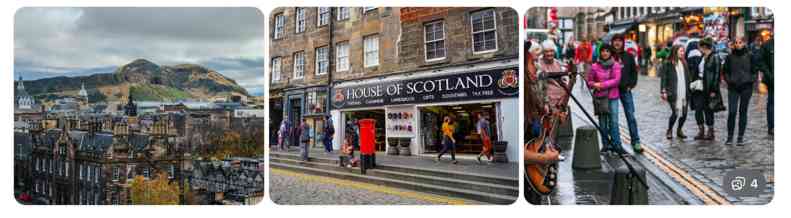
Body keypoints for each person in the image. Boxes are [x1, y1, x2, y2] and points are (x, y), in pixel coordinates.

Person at [587, 44, 624, 154]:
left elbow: (616, 80)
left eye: (607, 51)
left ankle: (617, 145)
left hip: (612, 97)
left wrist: (601, 85)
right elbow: (589, 82)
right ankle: (605, 145)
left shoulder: (616, 65)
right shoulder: (594, 66)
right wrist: (594, 85)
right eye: (603, 51)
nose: (605, 53)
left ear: (610, 53)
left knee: (614, 121)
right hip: (600, 98)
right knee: (602, 123)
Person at [611, 34, 643, 153]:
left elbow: (634, 72)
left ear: (622, 43)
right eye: (615, 41)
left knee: (631, 116)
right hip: (612, 90)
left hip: (625, 90)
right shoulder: (609, 56)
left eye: (619, 41)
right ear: (612, 42)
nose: (617, 43)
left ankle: (636, 141)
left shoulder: (628, 56)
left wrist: (631, 85)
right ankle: (616, 143)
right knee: (613, 118)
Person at [723, 38, 757, 146]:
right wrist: (729, 81)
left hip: (746, 88)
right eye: (736, 43)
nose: (738, 44)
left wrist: (750, 80)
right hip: (733, 88)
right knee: (732, 112)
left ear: (744, 43)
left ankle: (740, 137)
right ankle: (729, 137)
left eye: (740, 42)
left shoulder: (750, 56)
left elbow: (755, 70)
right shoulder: (729, 57)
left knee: (743, 112)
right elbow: (725, 71)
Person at [692, 38, 723, 140]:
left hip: (708, 87)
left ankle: (710, 131)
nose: (699, 49)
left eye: (700, 47)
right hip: (699, 86)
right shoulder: (701, 57)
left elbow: (717, 74)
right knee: (698, 109)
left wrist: (714, 90)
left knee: (708, 109)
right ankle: (701, 130)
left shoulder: (715, 57)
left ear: (704, 47)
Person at [660, 45, 691, 140]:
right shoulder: (668, 63)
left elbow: (688, 77)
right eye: (681, 51)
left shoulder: (684, 63)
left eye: (683, 51)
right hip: (673, 92)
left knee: (684, 114)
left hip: (684, 93)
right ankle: (669, 130)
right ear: (675, 51)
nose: (683, 53)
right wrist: (663, 91)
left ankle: (679, 130)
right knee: (676, 113)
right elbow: (664, 78)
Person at [759, 38, 774, 135]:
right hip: (772, 79)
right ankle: (772, 127)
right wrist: (770, 75)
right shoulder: (767, 45)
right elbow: (761, 62)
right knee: (772, 103)